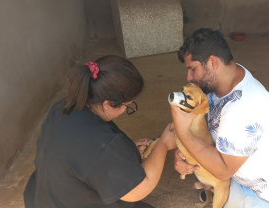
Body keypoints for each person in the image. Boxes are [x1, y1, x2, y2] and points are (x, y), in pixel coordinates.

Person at [171, 28, 269, 208]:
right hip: (257, 166)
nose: (189, 77)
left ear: (213, 62)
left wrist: (183, 134)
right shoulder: (231, 77)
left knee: (220, 182)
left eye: (193, 69)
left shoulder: (241, 110)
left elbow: (223, 170)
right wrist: (185, 152)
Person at [24, 55, 176, 208]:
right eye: (128, 106)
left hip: (44, 199)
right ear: (108, 104)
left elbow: (85, 154)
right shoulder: (100, 144)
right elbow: (138, 190)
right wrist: (163, 144)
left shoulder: (62, 107)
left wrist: (122, 152)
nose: (126, 109)